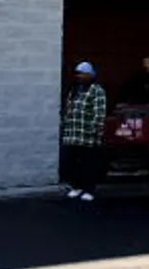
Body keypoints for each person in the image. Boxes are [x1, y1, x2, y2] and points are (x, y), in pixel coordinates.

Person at [61, 62, 108, 202]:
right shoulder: (75, 90)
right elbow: (68, 110)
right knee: (73, 162)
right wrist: (64, 126)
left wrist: (96, 131)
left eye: (82, 73)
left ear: (90, 75)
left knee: (89, 164)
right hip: (72, 134)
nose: (79, 76)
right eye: (78, 73)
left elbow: (99, 112)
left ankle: (89, 189)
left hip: (87, 135)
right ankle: (77, 187)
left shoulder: (96, 90)